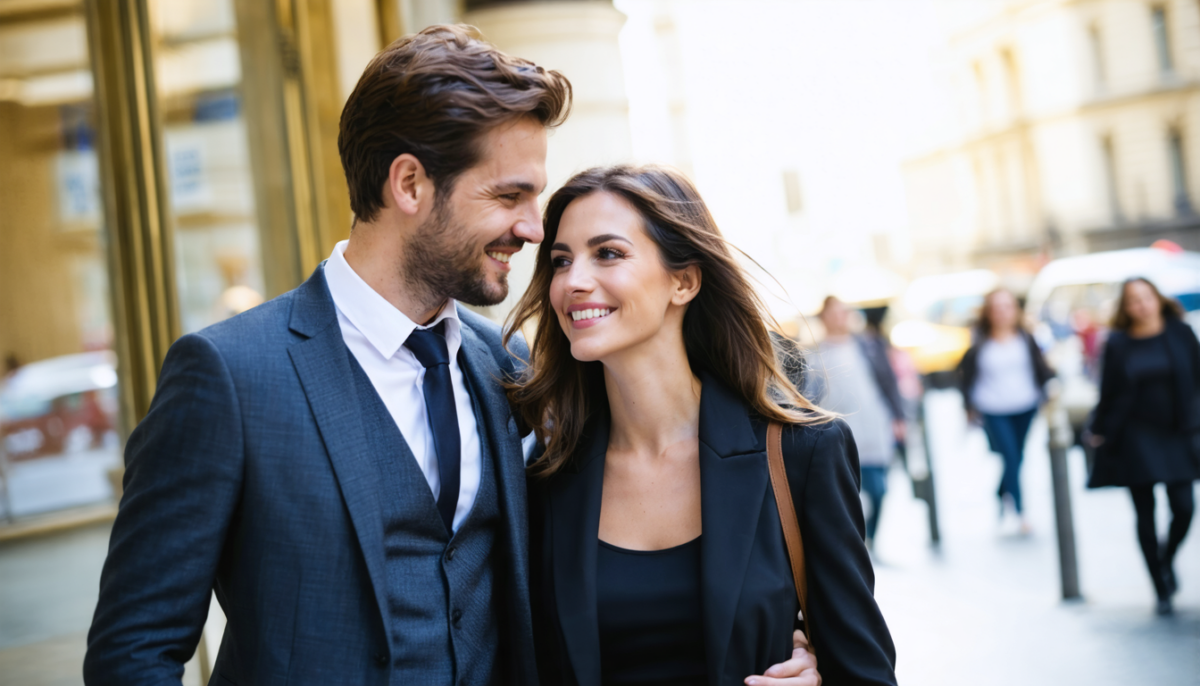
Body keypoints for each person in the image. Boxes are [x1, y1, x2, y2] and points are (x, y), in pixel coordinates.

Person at [84, 26, 817, 686]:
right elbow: (133, 649)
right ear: (409, 184)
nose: (533, 229)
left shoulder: (504, 364)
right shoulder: (229, 375)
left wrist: (798, 651)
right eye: (509, 196)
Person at [507, 165, 896, 685]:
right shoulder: (545, 476)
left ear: (684, 281)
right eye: (561, 260)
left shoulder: (802, 453)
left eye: (608, 253)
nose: (573, 281)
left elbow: (865, 670)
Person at [1087, 277, 1200, 616]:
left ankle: (1166, 557)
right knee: (1145, 513)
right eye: (1133, 300)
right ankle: (1159, 586)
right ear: (1126, 308)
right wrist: (1098, 429)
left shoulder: (1180, 332)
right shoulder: (1118, 343)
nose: (1142, 305)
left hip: (1177, 431)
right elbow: (1108, 390)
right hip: (1135, 435)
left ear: (1158, 299)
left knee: (1184, 507)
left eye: (1146, 297)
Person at [810, 296, 906, 549]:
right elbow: (810, 396)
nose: (839, 318)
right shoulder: (815, 354)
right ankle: (855, 542)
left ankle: (870, 536)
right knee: (848, 492)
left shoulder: (868, 345)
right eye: (833, 313)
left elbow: (888, 381)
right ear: (823, 318)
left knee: (879, 490)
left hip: (874, 427)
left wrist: (898, 417)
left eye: (843, 312)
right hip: (839, 433)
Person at [958, 289, 1054, 535]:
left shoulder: (1026, 338)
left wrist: (1050, 388)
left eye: (1007, 307)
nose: (1002, 313)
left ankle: (1001, 491)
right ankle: (1020, 511)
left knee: (1017, 457)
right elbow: (966, 377)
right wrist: (968, 408)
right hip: (993, 409)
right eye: (996, 308)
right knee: (1010, 456)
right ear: (988, 313)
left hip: (1026, 406)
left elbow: (1041, 368)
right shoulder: (979, 343)